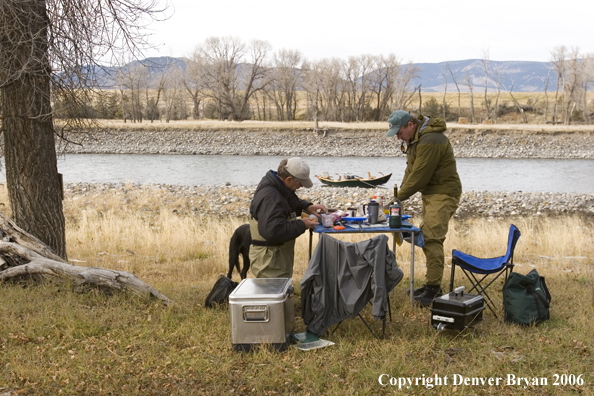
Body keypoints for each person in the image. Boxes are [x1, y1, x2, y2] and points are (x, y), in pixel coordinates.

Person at [386, 110, 462, 307]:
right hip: (432, 193)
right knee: (428, 235)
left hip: (444, 193)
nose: (397, 137)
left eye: (399, 132)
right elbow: (410, 171)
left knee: (431, 238)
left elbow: (420, 176)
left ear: (410, 125)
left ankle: (433, 289)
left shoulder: (430, 140)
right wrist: (397, 198)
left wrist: (398, 198)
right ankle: (431, 285)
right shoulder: (416, 140)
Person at [249, 157, 327, 279]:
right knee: (273, 295)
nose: (301, 186)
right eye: (300, 183)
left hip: (276, 256)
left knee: (281, 291)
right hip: (270, 260)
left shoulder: (279, 186)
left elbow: (287, 202)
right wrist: (302, 224)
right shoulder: (271, 197)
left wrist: (307, 206)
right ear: (289, 179)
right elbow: (272, 231)